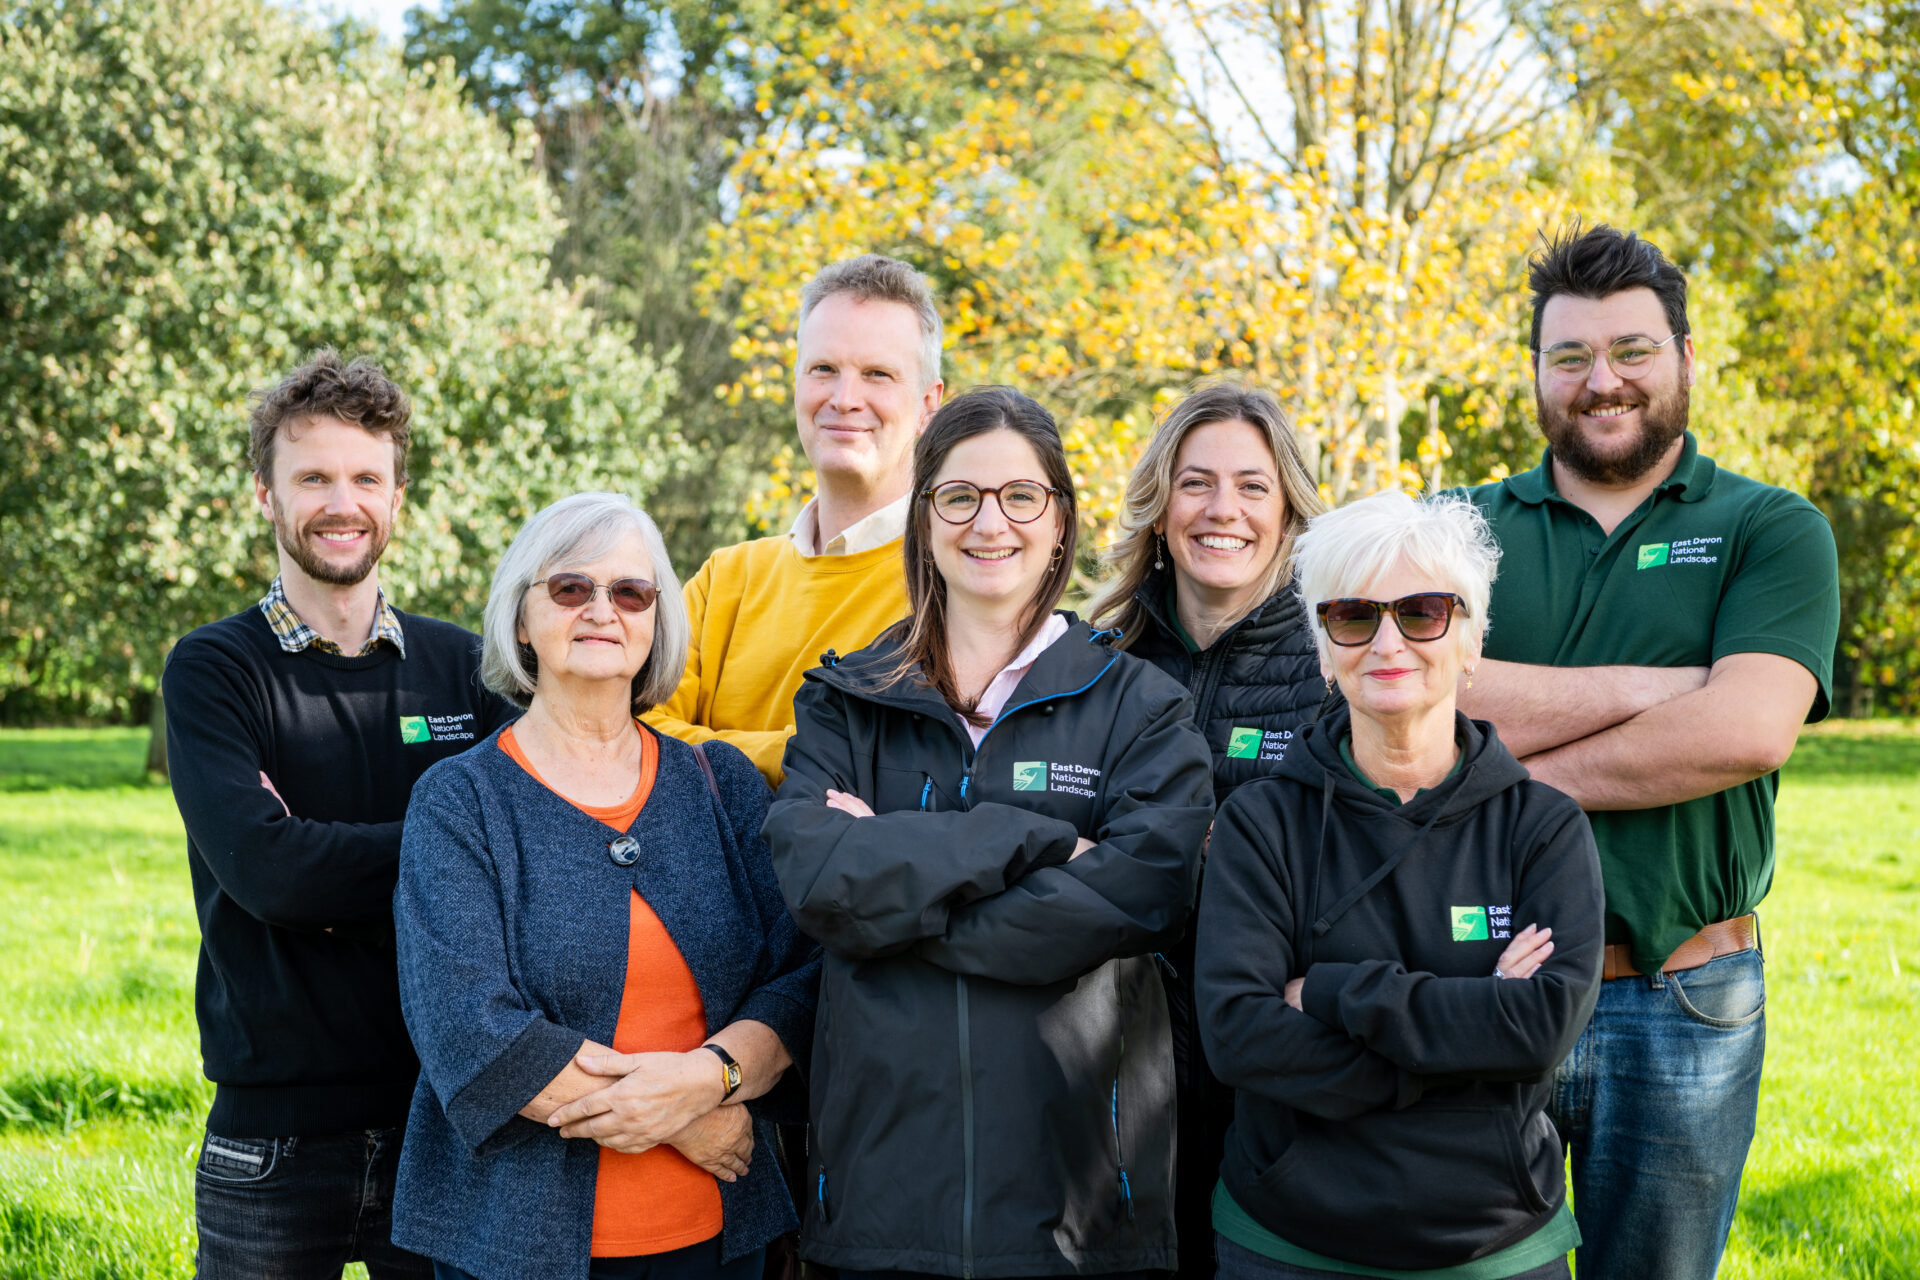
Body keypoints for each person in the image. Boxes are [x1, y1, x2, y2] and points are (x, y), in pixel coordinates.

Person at [1456, 224, 1841, 1279]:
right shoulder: (1460, 532)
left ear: (1682, 354)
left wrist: (1510, 781)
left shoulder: (1770, 527)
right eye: (1570, 356)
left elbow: (1747, 729)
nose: (1602, 380)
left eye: (1631, 349)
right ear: (1537, 373)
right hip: (1483, 980)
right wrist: (1664, 689)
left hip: (1686, 1002)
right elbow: (1429, 694)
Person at [762, 387, 1215, 1280]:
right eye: (959, 497)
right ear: (924, 519)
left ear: (1059, 521)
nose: (989, 523)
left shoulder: (1141, 708)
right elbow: (818, 882)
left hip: (1082, 1212)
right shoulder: (847, 701)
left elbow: (1149, 891)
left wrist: (899, 892)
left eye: (1020, 496)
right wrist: (1037, 842)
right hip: (879, 1203)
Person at [389, 492, 819, 1280]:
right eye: (569, 588)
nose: (600, 610)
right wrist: (680, 1118)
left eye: (629, 592)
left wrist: (703, 1078)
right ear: (522, 619)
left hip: (721, 1237)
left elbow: (800, 980)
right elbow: (469, 1028)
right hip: (516, 1242)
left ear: (656, 620)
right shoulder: (460, 801)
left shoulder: (718, 783)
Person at [160, 351, 519, 1279]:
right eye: (312, 477)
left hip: (445, 1115)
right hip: (271, 1136)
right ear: (266, 496)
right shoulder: (214, 670)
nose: (341, 502)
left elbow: (530, 848)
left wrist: (330, 861)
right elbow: (269, 871)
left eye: (366, 478)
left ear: (398, 498)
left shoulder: (467, 668)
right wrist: (451, 853)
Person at [1196, 490, 1605, 1280]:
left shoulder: (1543, 827)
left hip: (1495, 1248)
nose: (1388, 642)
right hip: (1288, 1244)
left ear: (1471, 641)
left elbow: (1540, 1030)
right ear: (1323, 648)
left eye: (1422, 612)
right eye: (1353, 616)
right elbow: (1239, 1035)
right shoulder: (1260, 823)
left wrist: (1328, 994)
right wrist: (1467, 1043)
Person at [1085, 381, 1327, 1280]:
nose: (1223, 510)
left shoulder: (1340, 660)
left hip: (1277, 1064)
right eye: (1196, 483)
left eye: (1253, 486)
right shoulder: (1098, 664)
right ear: (1158, 506)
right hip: (1118, 1063)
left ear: (1290, 508)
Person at [644, 253, 944, 785]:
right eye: (824, 369)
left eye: (878, 374)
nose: (845, 399)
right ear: (797, 383)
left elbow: (900, 770)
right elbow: (638, 734)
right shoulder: (724, 581)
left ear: (928, 405)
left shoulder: (950, 582)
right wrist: (801, 752)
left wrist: (707, 752)